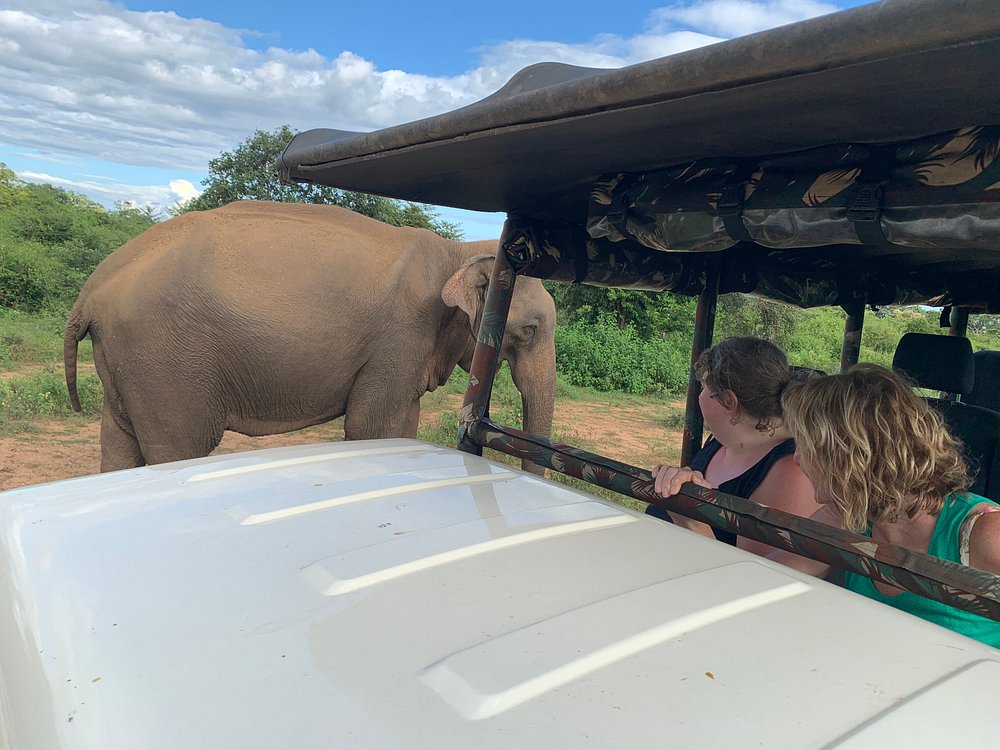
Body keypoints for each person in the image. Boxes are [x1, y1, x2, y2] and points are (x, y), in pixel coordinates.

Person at [779, 363, 1000, 647]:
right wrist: (702, 525)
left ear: (850, 457)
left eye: (805, 447)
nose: (796, 459)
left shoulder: (984, 534)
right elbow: (768, 581)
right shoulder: (848, 517)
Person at [648, 336, 821, 557]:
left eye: (703, 387)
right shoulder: (720, 441)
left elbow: (759, 578)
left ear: (729, 401)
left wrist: (692, 522)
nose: (700, 396)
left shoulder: (792, 470)